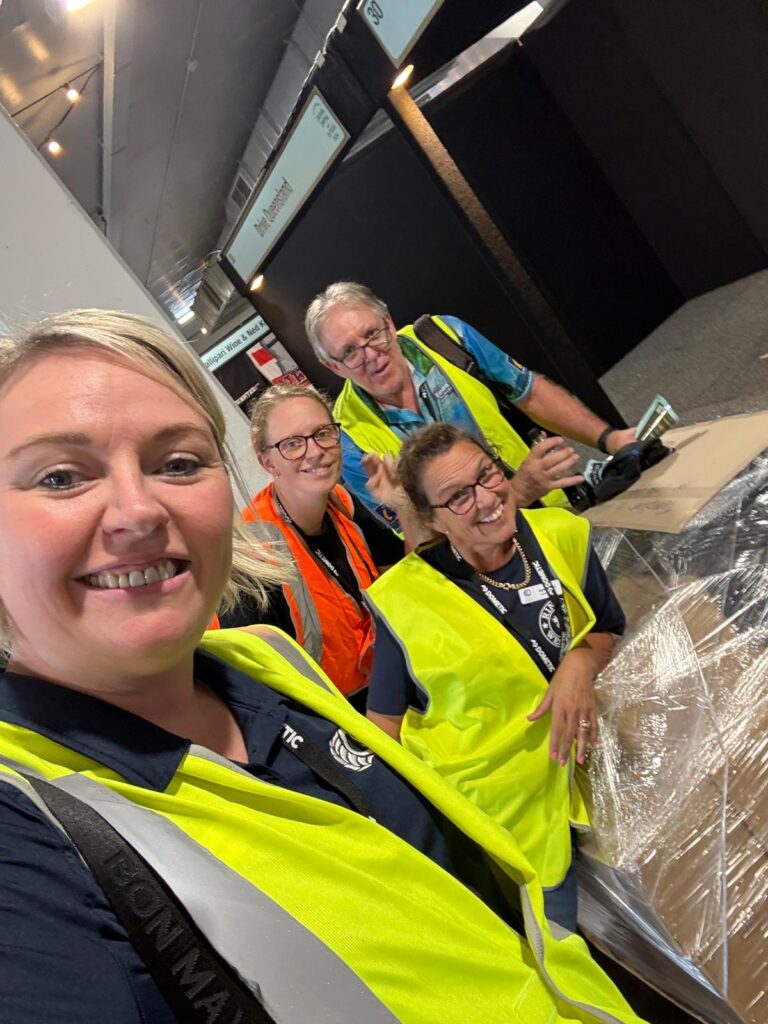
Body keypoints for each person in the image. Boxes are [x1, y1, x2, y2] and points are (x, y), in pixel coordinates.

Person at [0, 309, 646, 1024]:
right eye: (59, 477)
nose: (137, 510)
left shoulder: (267, 657)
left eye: (178, 462)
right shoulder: (31, 842)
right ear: (265, 461)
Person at [365, 423, 626, 931]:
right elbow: (383, 733)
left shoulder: (559, 534)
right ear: (431, 518)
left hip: (591, 762)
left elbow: (607, 627)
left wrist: (579, 663)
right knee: (563, 951)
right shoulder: (403, 599)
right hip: (504, 814)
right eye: (457, 497)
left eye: (486, 475)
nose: (485, 500)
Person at [304, 281, 636, 525]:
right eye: (349, 352)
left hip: (562, 511)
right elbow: (419, 534)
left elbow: (530, 393)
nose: (371, 355)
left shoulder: (445, 337)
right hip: (495, 566)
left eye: (373, 334)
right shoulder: (348, 440)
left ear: (389, 322)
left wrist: (610, 439)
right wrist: (517, 495)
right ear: (333, 367)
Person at [220, 383, 416, 703]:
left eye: (323, 433)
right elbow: (258, 689)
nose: (315, 451)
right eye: (293, 444)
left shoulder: (341, 501)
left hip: (396, 676)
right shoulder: (252, 557)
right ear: (268, 463)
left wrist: (403, 506)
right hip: (345, 717)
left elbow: (406, 581)